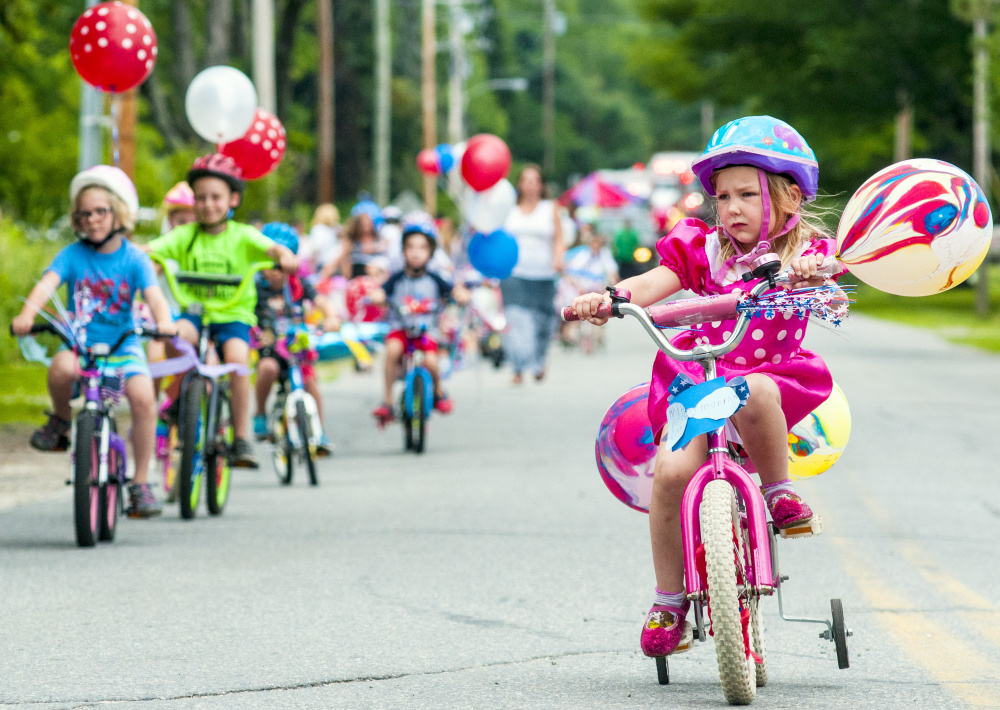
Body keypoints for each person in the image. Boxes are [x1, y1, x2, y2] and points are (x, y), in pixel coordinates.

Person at [571, 116, 839, 658]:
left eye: (746, 194)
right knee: (671, 473)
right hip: (700, 378)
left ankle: (777, 490)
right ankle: (669, 599)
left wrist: (819, 276)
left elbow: (829, 281)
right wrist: (609, 298)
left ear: (786, 197)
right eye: (722, 197)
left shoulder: (804, 252)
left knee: (757, 390)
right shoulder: (702, 247)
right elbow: (653, 283)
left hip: (770, 377)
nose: (730, 208)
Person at [12, 166, 177, 518]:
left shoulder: (135, 258)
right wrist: (28, 315)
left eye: (100, 211)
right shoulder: (72, 255)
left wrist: (164, 321)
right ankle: (60, 421)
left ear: (119, 212)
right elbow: (47, 285)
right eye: (84, 213)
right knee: (59, 368)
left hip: (122, 345)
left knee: (144, 398)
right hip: (81, 346)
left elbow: (154, 295)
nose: (92, 220)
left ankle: (140, 483)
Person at [144, 154, 297, 469]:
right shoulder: (186, 236)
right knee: (174, 335)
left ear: (233, 199)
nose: (207, 204)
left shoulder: (241, 236)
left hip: (234, 315)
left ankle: (241, 437)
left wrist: (284, 255)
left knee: (238, 359)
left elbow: (270, 248)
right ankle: (178, 398)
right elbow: (154, 248)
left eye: (216, 197)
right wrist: (136, 258)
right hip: (195, 312)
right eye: (200, 198)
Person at [251, 223, 340, 456]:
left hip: (296, 347)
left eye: (281, 268)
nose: (274, 272)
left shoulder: (300, 285)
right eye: (270, 267)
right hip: (270, 346)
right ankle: (259, 412)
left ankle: (318, 432)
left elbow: (321, 300)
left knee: (310, 383)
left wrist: (331, 317)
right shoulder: (255, 288)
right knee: (267, 369)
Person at [370, 216, 469, 425]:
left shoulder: (435, 278)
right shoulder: (397, 278)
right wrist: (378, 296)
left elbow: (454, 290)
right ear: (403, 250)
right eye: (411, 247)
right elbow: (380, 292)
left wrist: (460, 294)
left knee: (431, 362)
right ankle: (387, 400)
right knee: (392, 350)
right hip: (401, 329)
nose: (416, 253)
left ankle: (439, 391)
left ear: (431, 251)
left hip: (426, 331)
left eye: (422, 247)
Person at [500, 164, 565, 384]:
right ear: (519, 184)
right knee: (516, 320)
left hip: (543, 275)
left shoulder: (550, 208)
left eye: (534, 180)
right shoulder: (510, 210)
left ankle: (538, 361)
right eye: (525, 180)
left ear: (540, 185)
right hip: (514, 274)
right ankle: (517, 367)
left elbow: (558, 238)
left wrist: (558, 258)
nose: (529, 184)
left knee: (542, 322)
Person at [336, 208, 384, 280]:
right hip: (356, 268)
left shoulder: (378, 238)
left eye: (368, 222)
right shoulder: (352, 240)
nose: (366, 225)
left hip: (374, 269)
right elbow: (343, 255)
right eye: (363, 223)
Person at [306, 203, 343, 277]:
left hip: (323, 264)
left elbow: (315, 248)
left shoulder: (318, 229)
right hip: (335, 264)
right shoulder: (336, 229)